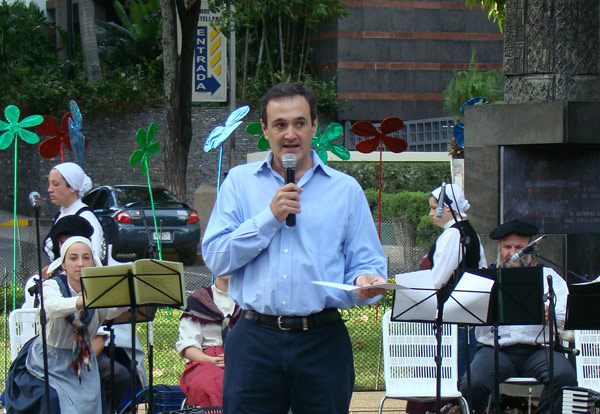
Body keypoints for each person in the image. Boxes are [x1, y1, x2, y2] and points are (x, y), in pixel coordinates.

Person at [201, 82, 388, 414]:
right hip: (254, 338)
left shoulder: (345, 191)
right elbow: (216, 258)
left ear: (314, 125)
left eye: (300, 123)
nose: (290, 133)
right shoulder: (239, 184)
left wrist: (366, 283)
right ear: (265, 129)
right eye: (280, 124)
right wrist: (269, 218)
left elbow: (367, 263)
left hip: (323, 340)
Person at [460, 219, 577, 414]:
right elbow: (463, 316)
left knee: (564, 377)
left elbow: (566, 311)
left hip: (538, 350)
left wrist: (551, 311)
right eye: (508, 246)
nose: (513, 253)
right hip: (495, 350)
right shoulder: (484, 277)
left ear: (530, 248)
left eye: (520, 247)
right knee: (472, 384)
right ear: (499, 246)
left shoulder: (547, 275)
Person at [5, 237, 127, 414]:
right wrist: (82, 301)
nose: (80, 264)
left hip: (83, 362)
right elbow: (50, 307)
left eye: (86, 258)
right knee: (60, 404)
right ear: (63, 264)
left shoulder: (100, 290)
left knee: (90, 405)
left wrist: (131, 294)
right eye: (73, 258)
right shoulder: (51, 286)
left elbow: (113, 309)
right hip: (48, 362)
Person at [406, 183, 487, 414]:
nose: (431, 214)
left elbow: (437, 279)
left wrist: (413, 293)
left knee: (443, 379)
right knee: (459, 379)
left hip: (450, 319)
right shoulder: (468, 231)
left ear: (447, 208)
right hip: (465, 317)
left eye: (434, 208)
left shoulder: (454, 234)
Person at [176, 276, 240, 407]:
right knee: (213, 383)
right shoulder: (199, 300)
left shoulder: (251, 300)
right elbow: (188, 345)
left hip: (243, 359)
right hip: (205, 360)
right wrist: (210, 360)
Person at [23, 215, 95, 308]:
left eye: (71, 241)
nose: (66, 247)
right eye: (62, 243)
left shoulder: (101, 274)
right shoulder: (43, 279)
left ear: (89, 241)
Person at [45, 162, 104, 262]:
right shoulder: (61, 215)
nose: (50, 190)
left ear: (72, 187)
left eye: (56, 184)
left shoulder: (86, 217)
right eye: (49, 184)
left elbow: (94, 259)